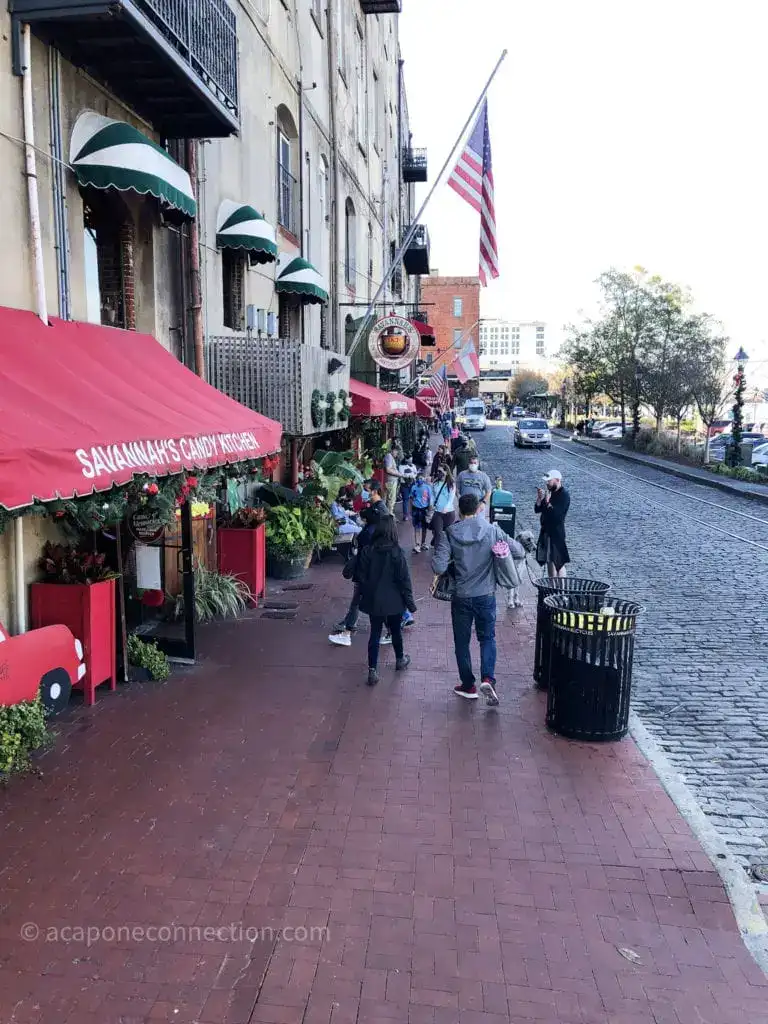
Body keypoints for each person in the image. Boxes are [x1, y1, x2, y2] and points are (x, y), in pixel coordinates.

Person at [432, 493, 510, 706]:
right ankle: (488, 679)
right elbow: (517, 549)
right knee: (487, 638)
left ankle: (468, 685)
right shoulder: (492, 530)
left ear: (459, 510)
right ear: (477, 509)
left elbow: (438, 566)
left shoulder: (449, 533)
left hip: (462, 596)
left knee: (462, 642)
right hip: (486, 595)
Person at [356, 515, 416, 686]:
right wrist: (410, 603)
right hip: (395, 600)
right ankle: (400, 659)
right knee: (396, 630)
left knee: (375, 633)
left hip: (374, 599)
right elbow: (404, 580)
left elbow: (360, 577)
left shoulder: (368, 551)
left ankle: (372, 670)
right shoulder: (397, 552)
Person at [329, 479, 387, 645]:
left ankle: (348, 630)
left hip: (371, 561)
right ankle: (348, 627)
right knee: (362, 596)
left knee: (367, 596)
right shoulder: (374, 509)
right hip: (367, 559)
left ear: (374, 491)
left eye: (367, 490)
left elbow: (381, 535)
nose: (364, 493)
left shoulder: (380, 511)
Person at [535, 470, 571, 578]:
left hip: (556, 533)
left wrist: (547, 501)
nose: (547, 484)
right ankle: (552, 585)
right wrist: (539, 499)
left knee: (559, 562)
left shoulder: (564, 495)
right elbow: (537, 509)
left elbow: (557, 515)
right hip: (546, 531)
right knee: (549, 560)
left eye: (549, 481)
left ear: (557, 480)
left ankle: (561, 587)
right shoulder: (550, 492)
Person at [429, 466, 456, 550]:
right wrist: (431, 504)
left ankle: (446, 549)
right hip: (438, 512)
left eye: (440, 471)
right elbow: (432, 495)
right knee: (438, 532)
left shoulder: (451, 484)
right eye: (438, 471)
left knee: (447, 532)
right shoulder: (435, 483)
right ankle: (437, 551)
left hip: (449, 512)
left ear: (446, 472)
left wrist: (446, 508)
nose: (438, 473)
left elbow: (451, 498)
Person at [408, 469, 434, 552]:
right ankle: (417, 544)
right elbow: (411, 498)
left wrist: (430, 510)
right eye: (418, 478)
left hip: (424, 509)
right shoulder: (413, 487)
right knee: (417, 527)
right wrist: (410, 509)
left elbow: (430, 499)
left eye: (421, 478)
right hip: (416, 509)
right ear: (416, 479)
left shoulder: (427, 487)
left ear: (424, 479)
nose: (420, 480)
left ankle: (423, 543)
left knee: (424, 527)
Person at [382, 444, 402, 514]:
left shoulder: (390, 457)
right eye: (396, 451)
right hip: (390, 482)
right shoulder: (389, 456)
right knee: (391, 499)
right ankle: (389, 515)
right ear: (393, 450)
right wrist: (399, 474)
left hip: (390, 481)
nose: (397, 453)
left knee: (387, 498)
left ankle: (387, 514)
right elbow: (388, 470)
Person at [398, 455, 417, 521]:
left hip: (412, 484)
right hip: (404, 485)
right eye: (410, 460)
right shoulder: (401, 466)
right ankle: (405, 515)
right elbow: (401, 475)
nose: (411, 461)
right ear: (406, 460)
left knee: (413, 499)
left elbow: (415, 474)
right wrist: (410, 476)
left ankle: (412, 513)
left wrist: (411, 476)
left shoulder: (413, 465)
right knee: (405, 500)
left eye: (411, 460)